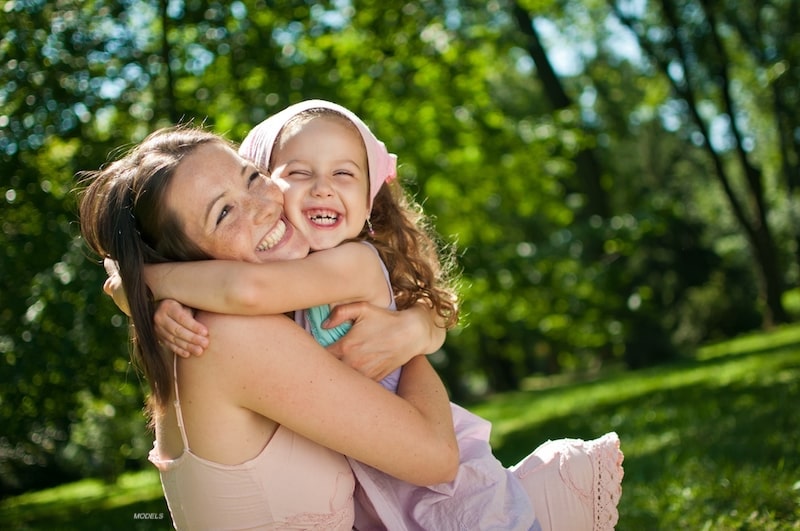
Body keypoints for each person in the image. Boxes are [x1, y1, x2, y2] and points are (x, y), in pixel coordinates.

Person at [145, 100, 624, 530]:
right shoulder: (280, 291)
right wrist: (170, 305)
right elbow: (236, 289)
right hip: (385, 487)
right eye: (299, 173)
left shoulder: (350, 262)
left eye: (344, 174)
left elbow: (245, 289)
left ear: (370, 197)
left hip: (447, 491)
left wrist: (143, 281)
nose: (323, 189)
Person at [78, 126, 461, 530]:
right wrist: (413, 345)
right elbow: (436, 457)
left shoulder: (264, 315)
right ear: (184, 260)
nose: (263, 206)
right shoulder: (227, 336)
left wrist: (419, 323)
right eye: (224, 213)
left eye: (252, 177)